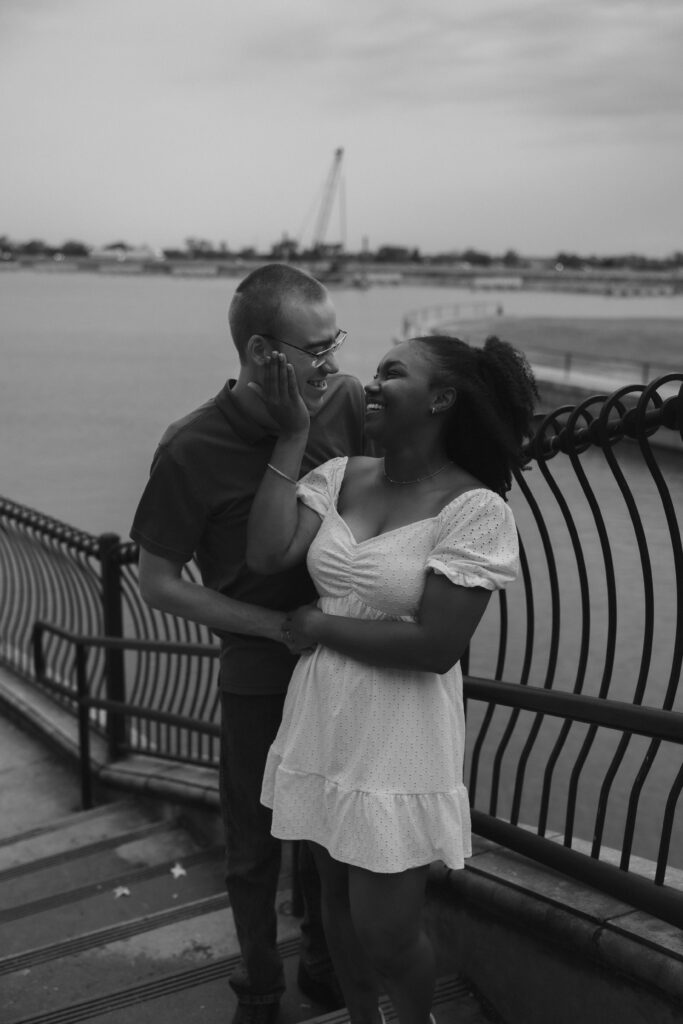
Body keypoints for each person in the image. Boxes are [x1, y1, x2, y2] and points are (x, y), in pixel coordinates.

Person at [246, 333, 538, 1024]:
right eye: (374, 371)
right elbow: (264, 555)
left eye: (391, 373)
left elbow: (437, 644)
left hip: (398, 729)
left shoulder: (474, 509)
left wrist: (316, 627)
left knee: (386, 927)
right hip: (325, 711)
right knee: (335, 908)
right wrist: (292, 437)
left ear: (441, 399)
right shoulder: (341, 473)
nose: (370, 384)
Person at [130, 263, 370, 1024]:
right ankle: (261, 988)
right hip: (260, 667)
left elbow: (390, 491)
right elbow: (159, 581)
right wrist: (269, 626)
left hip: (346, 659)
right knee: (254, 841)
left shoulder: (343, 402)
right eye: (317, 346)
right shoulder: (189, 448)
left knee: (335, 828)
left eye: (335, 342)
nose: (331, 362)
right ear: (266, 353)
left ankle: (330, 969)